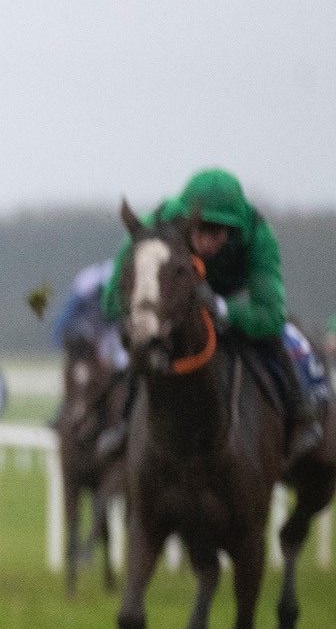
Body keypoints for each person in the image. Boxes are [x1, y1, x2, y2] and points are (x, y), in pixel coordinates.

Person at [99, 168, 324, 463]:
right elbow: (112, 300)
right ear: (187, 223)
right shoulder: (158, 223)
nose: (206, 243)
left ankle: (301, 414)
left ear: (233, 231)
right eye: (200, 231)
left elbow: (270, 316)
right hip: (177, 301)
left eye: (216, 233)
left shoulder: (259, 235)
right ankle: (123, 422)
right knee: (143, 346)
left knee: (283, 340)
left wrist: (222, 308)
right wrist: (149, 315)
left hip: (233, 300)